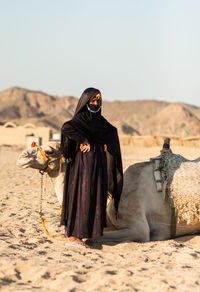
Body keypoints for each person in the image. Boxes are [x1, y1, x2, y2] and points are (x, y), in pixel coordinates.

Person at [60, 87, 123, 246]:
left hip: (98, 163)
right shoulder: (80, 119)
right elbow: (66, 128)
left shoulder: (101, 122)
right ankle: (74, 235)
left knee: (94, 196)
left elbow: (112, 132)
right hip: (82, 165)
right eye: (92, 101)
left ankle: (87, 234)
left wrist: (103, 144)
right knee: (82, 196)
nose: (95, 104)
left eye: (98, 101)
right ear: (85, 102)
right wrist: (83, 140)